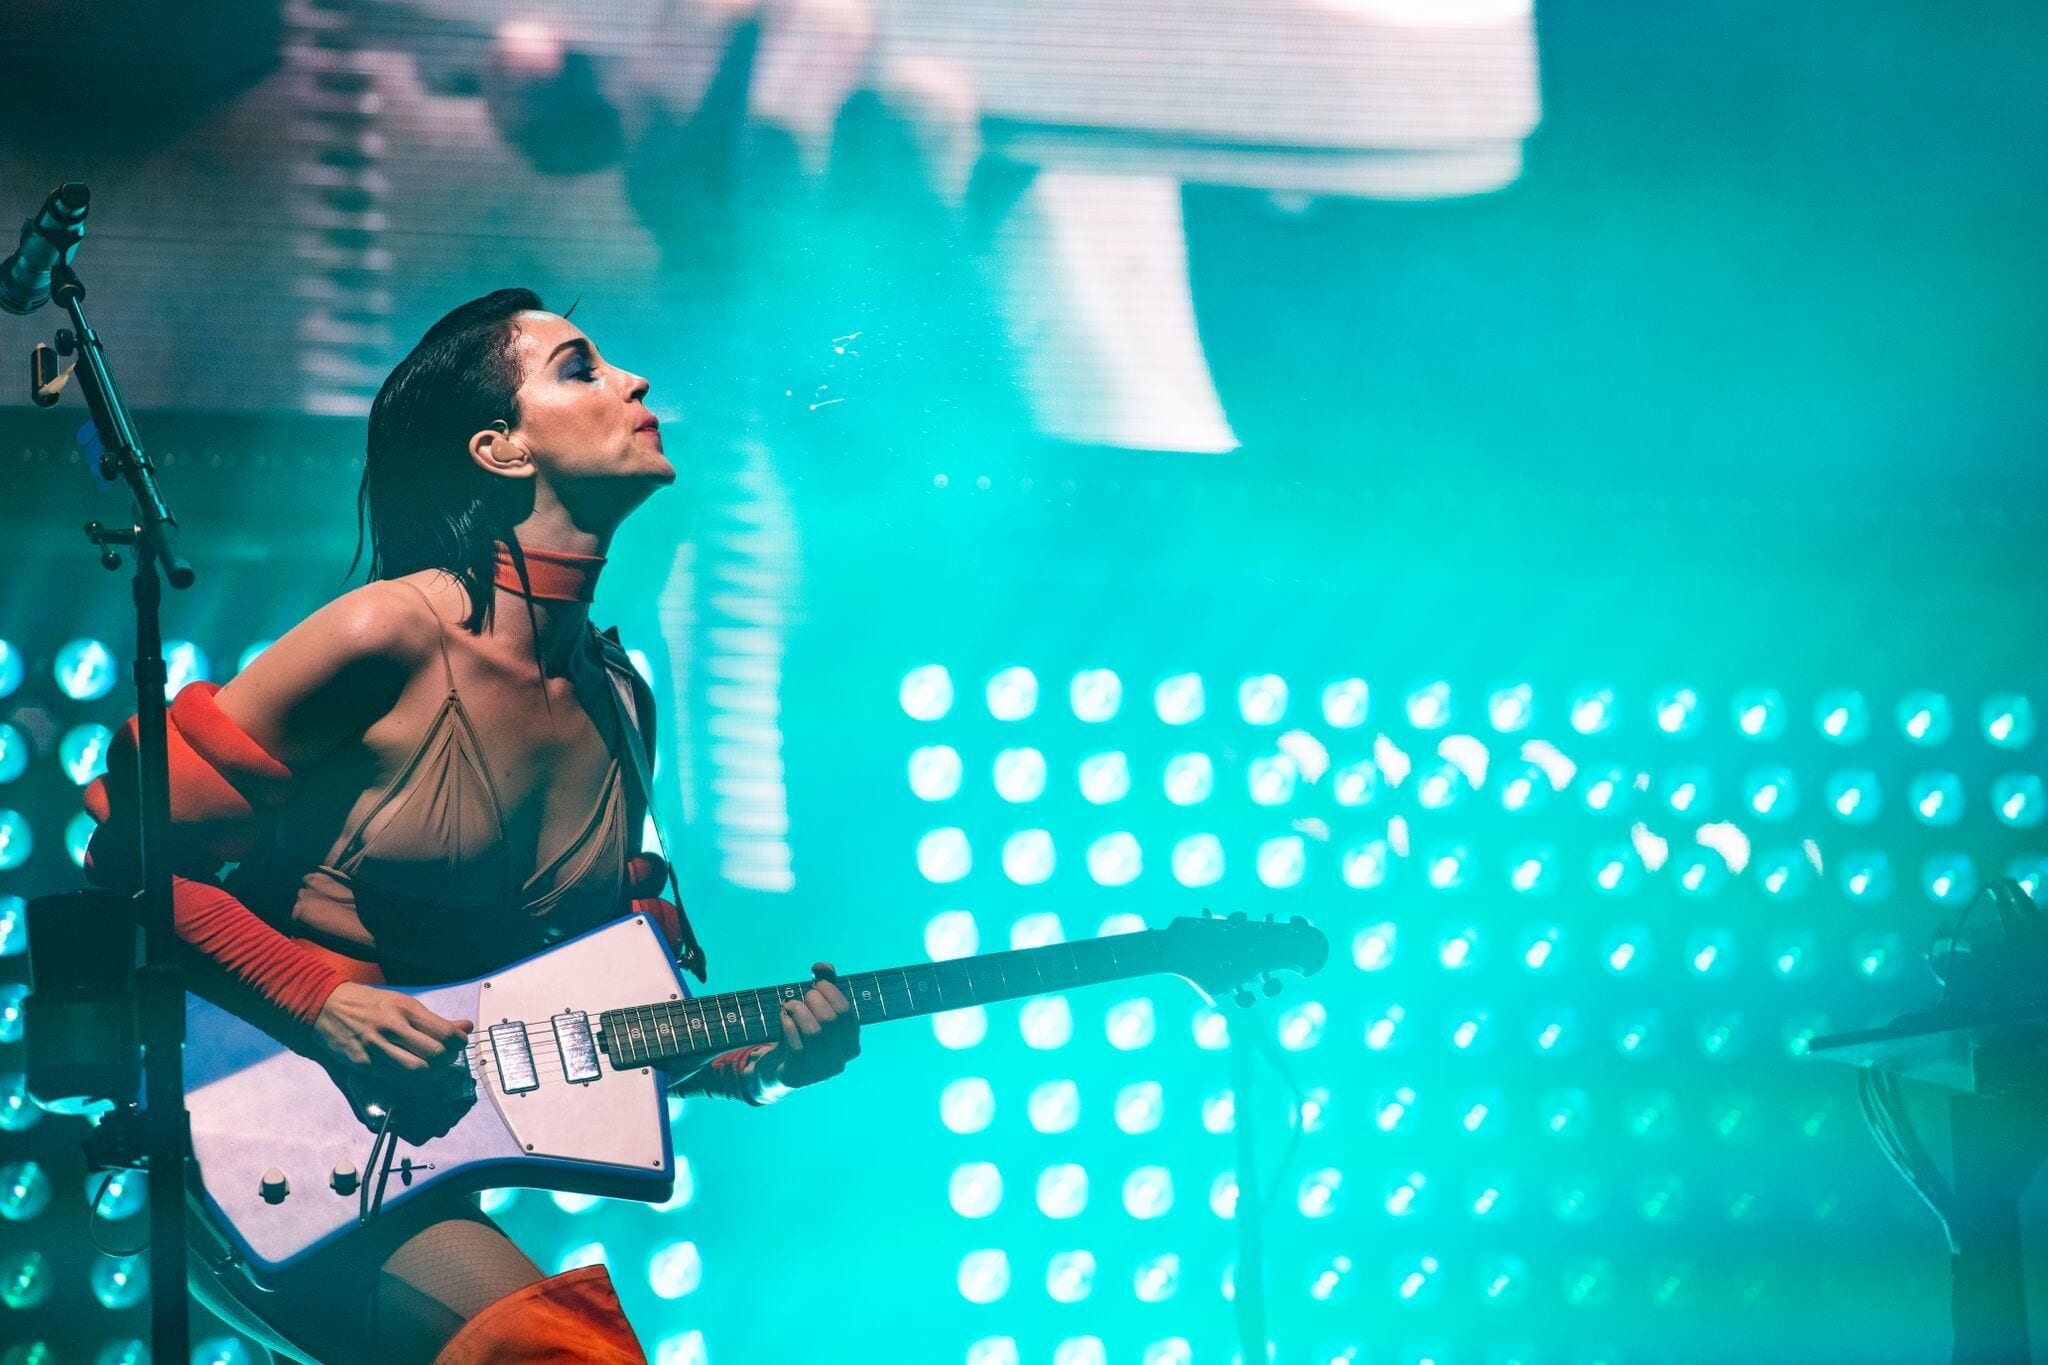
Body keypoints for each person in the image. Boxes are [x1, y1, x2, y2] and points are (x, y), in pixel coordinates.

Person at [80, 288, 860, 1363]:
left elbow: (593, 1014)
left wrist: (756, 1065)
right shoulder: (383, 633)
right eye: (580, 368)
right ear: (500, 449)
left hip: (411, 1174)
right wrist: (323, 1005)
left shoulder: (621, 703)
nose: (633, 382)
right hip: (249, 1137)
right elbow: (125, 862)